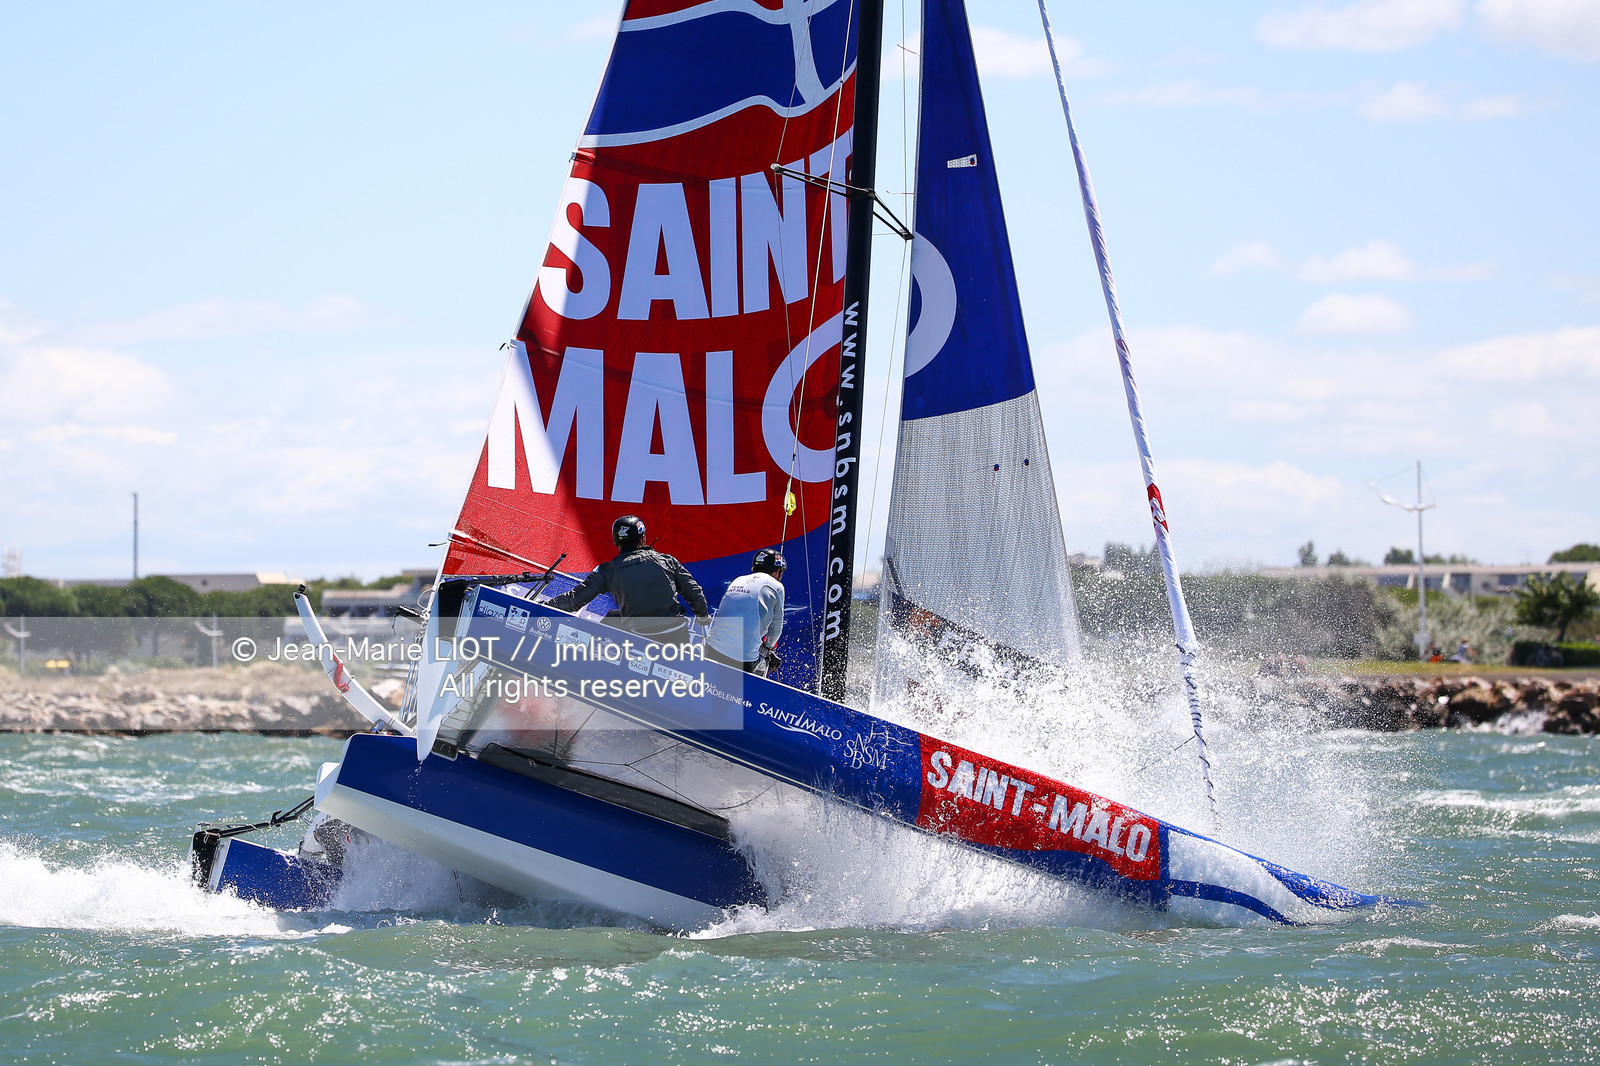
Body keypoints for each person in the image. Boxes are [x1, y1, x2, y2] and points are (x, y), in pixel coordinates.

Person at [545, 515, 709, 642]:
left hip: (641, 637)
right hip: (676, 636)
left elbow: (575, 600)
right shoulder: (668, 561)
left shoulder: (607, 570)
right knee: (613, 616)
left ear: (616, 541)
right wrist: (702, 616)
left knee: (612, 618)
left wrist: (542, 606)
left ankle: (597, 660)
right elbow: (694, 591)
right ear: (643, 537)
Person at [706, 549, 786, 674]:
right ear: (777, 571)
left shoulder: (738, 580)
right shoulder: (777, 586)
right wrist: (769, 648)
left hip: (711, 650)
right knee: (765, 661)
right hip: (743, 660)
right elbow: (776, 628)